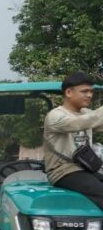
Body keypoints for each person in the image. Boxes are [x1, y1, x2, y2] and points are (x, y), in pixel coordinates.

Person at [44, 72, 103, 209]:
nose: (89, 95)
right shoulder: (55, 116)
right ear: (69, 92)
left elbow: (96, 121)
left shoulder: (87, 113)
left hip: (87, 168)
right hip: (63, 172)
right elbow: (79, 123)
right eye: (84, 91)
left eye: (91, 92)